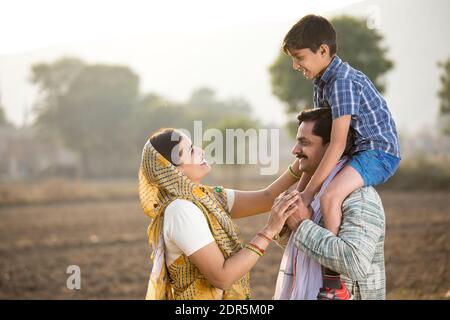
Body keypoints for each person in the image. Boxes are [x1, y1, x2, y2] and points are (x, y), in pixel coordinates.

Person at [282, 14, 400, 298]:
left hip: (376, 151)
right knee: (319, 193)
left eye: (299, 57)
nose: (296, 65)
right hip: (356, 150)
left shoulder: (342, 82)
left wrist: (308, 197)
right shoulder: (322, 82)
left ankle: (333, 281)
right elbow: (320, 143)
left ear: (323, 50)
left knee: (330, 197)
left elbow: (334, 145)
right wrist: (297, 194)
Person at [138, 128, 304, 299]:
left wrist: (304, 161)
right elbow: (222, 278)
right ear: (171, 171)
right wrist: (269, 231)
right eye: (191, 151)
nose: (201, 152)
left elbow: (266, 198)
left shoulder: (206, 196)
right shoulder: (181, 210)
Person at [274, 108, 387, 300]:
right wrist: (284, 222)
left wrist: (301, 226)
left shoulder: (359, 197)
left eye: (304, 142)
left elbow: (354, 263)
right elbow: (308, 251)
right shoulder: (314, 189)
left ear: (331, 149)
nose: (295, 150)